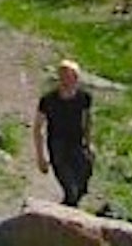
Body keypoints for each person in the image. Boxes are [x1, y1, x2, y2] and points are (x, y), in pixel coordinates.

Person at [34, 58, 94, 208]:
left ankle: (67, 211)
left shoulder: (83, 98)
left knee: (83, 179)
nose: (66, 80)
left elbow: (87, 121)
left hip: (77, 142)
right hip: (57, 145)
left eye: (70, 76)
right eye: (63, 76)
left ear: (76, 78)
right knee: (69, 187)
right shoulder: (48, 100)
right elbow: (38, 128)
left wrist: (89, 143)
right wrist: (41, 156)